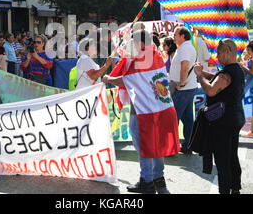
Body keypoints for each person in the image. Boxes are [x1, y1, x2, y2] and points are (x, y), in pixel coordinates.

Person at [103, 30, 178, 194]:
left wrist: (109, 79)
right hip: (160, 108)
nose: (133, 46)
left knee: (144, 145)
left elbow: (127, 80)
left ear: (141, 44)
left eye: (134, 43)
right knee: (156, 144)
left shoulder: (142, 59)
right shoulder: (156, 55)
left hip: (144, 111)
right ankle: (158, 178)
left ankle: (147, 181)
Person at [193, 38, 245, 194]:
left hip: (223, 122)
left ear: (227, 51)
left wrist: (199, 76)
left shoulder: (228, 72)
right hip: (234, 118)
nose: (217, 56)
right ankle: (235, 189)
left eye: (219, 52)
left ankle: (226, 191)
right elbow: (217, 80)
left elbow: (211, 90)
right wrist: (202, 72)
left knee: (223, 161)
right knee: (231, 157)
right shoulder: (236, 68)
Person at [170, 26, 198, 154]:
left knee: (173, 118)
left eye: (175, 34)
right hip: (187, 88)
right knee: (187, 119)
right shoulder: (185, 47)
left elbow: (185, 66)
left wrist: (181, 83)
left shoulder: (185, 48)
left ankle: (171, 147)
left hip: (183, 89)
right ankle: (188, 145)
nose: (173, 36)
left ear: (182, 36)